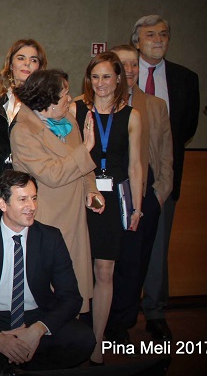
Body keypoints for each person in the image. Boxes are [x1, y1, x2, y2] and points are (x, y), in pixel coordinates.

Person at [0, 170, 95, 375]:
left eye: (34, 198)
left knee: (84, 340)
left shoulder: (50, 238)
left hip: (36, 316)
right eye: (23, 199)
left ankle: (22, 363)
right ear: (2, 204)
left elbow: (71, 297)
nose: (31, 206)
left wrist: (38, 329)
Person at [10, 69, 103, 314]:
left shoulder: (69, 121)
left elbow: (84, 168)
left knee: (75, 288)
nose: (70, 99)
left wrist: (91, 189)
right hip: (48, 218)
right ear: (49, 100)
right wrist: (86, 148)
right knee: (50, 295)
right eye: (65, 94)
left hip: (74, 217)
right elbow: (51, 174)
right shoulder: (23, 131)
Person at [71, 51, 143, 364]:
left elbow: (135, 165)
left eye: (107, 77)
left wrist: (137, 207)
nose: (101, 83)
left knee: (105, 271)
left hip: (112, 201)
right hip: (80, 194)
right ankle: (72, 338)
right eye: (95, 77)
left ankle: (98, 342)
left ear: (118, 79)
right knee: (74, 269)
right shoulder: (75, 108)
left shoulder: (131, 116)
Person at [133, 15, 200, 341]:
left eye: (163, 34)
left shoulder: (186, 78)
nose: (158, 39)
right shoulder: (121, 73)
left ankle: (156, 312)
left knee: (158, 249)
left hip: (163, 178)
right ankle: (120, 311)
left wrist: (163, 174)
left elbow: (185, 129)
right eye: (150, 34)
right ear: (136, 41)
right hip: (123, 179)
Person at [106, 44, 174, 344]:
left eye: (134, 64)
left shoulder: (156, 106)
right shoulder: (90, 103)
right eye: (124, 64)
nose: (131, 69)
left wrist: (159, 194)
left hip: (143, 195)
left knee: (134, 264)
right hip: (107, 195)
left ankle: (122, 321)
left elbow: (166, 155)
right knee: (106, 261)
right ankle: (100, 318)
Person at [0, 39, 48, 189]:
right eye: (21, 58)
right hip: (3, 178)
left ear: (39, 67)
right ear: (11, 64)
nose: (27, 63)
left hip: (35, 178)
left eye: (33, 60)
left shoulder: (46, 103)